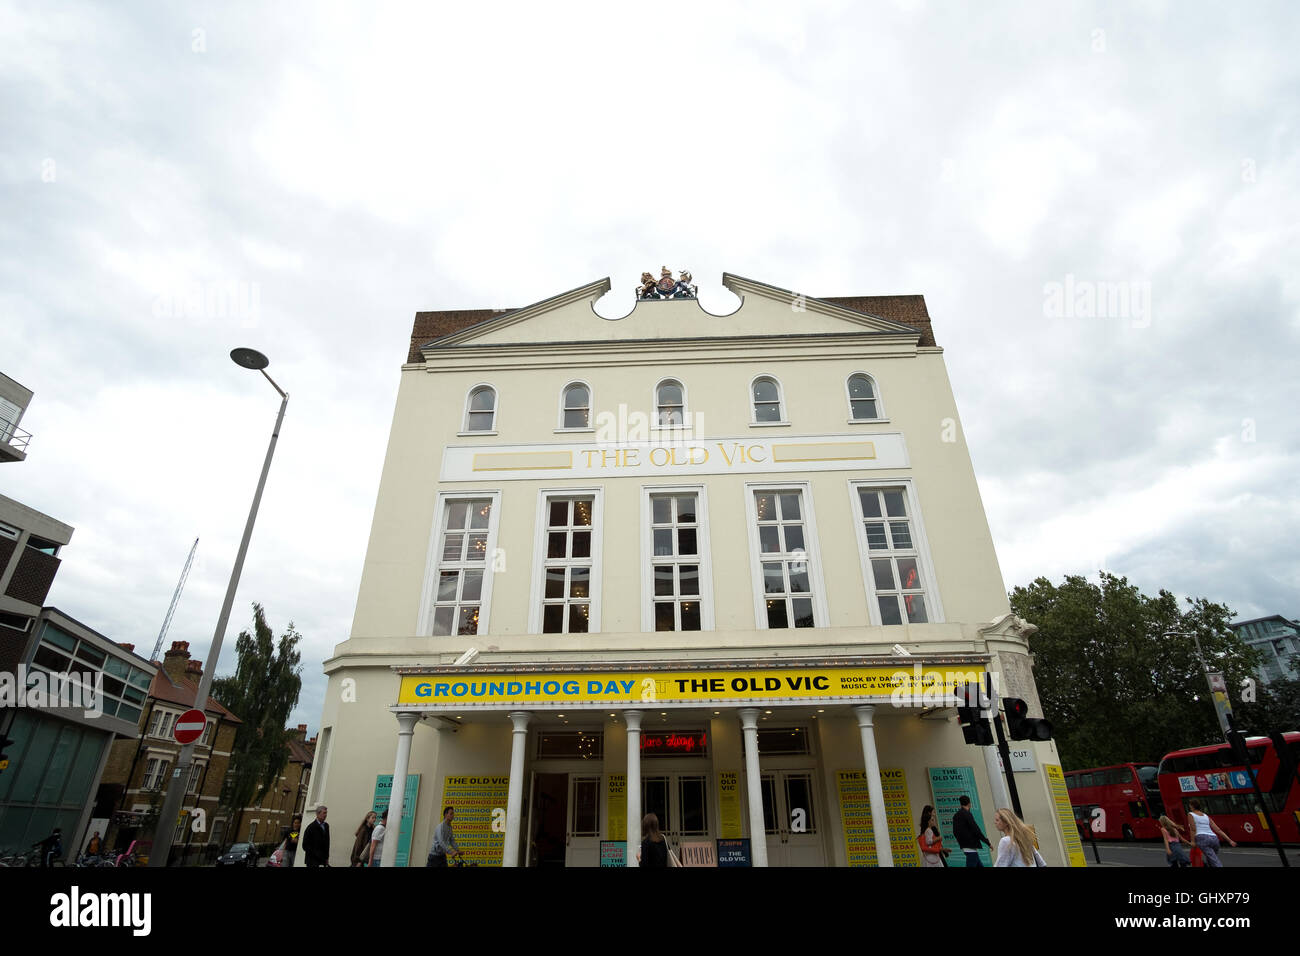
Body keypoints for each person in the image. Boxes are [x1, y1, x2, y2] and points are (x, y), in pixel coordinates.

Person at [1187, 799, 1236, 867]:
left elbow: (1193, 829)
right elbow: (1218, 830)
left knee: (1214, 861)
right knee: (1211, 859)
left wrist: (1193, 841)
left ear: (1192, 806)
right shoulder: (1206, 816)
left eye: (1190, 805)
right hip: (1214, 839)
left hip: (1202, 838)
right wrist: (1230, 840)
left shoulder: (1190, 814)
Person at [952, 795, 991, 867]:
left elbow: (954, 831)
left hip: (964, 846)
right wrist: (987, 842)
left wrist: (961, 841)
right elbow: (976, 830)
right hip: (971, 847)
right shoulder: (967, 814)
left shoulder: (956, 816)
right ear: (969, 803)